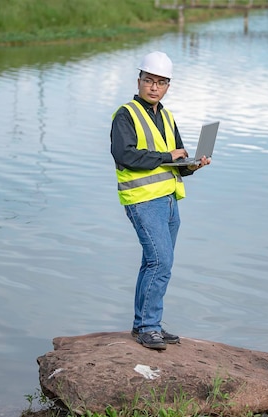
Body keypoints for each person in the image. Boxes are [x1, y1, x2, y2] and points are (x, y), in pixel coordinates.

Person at [110, 51, 211, 350]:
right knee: (160, 261)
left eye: (161, 82)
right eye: (149, 80)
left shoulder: (166, 116)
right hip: (142, 200)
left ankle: (144, 323)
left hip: (168, 200)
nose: (154, 87)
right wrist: (169, 157)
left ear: (168, 86)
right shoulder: (126, 114)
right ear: (139, 80)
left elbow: (175, 160)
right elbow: (125, 154)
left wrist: (191, 165)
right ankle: (149, 326)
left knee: (153, 262)